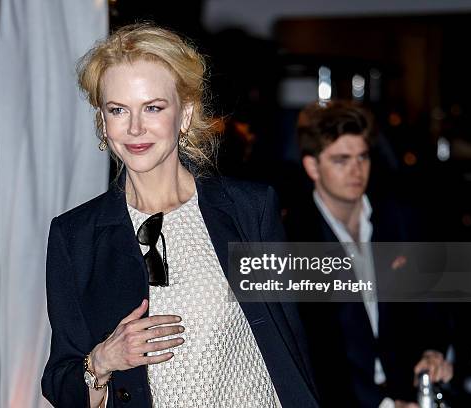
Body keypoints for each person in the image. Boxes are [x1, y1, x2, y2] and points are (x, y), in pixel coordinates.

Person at [41, 24, 319, 408]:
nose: (135, 127)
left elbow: (292, 347)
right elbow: (60, 383)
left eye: (153, 107)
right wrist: (103, 360)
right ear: (103, 122)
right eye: (118, 110)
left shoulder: (249, 209)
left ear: (185, 114)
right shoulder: (76, 237)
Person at [285, 100, 452, 408]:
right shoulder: (294, 238)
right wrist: (383, 405)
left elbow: (431, 302)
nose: (356, 170)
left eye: (362, 157)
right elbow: (316, 351)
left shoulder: (401, 220)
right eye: (341, 160)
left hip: (408, 390)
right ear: (312, 166)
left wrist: (432, 351)